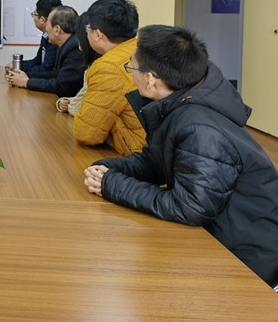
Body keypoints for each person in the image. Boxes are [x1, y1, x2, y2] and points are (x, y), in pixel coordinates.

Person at [84, 26, 278, 289]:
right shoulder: (181, 100)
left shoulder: (200, 129)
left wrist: (112, 185)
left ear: (151, 80)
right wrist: (108, 170)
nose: (130, 72)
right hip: (218, 236)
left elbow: (190, 207)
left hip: (247, 262)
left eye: (132, 67)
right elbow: (156, 162)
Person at [73, 0, 146, 155]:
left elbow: (86, 133)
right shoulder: (143, 49)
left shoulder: (109, 68)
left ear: (98, 34)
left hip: (140, 155)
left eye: (88, 29)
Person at [6, 5, 83, 97]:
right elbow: (54, 74)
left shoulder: (75, 48)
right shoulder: (66, 44)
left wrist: (26, 82)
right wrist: (25, 76)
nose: (46, 29)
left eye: (47, 24)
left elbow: (62, 86)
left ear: (57, 29)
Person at [5, 0, 62, 76]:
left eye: (34, 14)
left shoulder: (56, 39)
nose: (33, 18)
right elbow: (37, 61)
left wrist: (20, 73)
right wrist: (17, 65)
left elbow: (45, 70)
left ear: (42, 20)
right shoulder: (45, 35)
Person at [56, 13, 100, 115]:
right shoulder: (92, 63)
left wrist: (70, 105)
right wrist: (67, 101)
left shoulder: (99, 66)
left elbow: (84, 108)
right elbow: (83, 96)